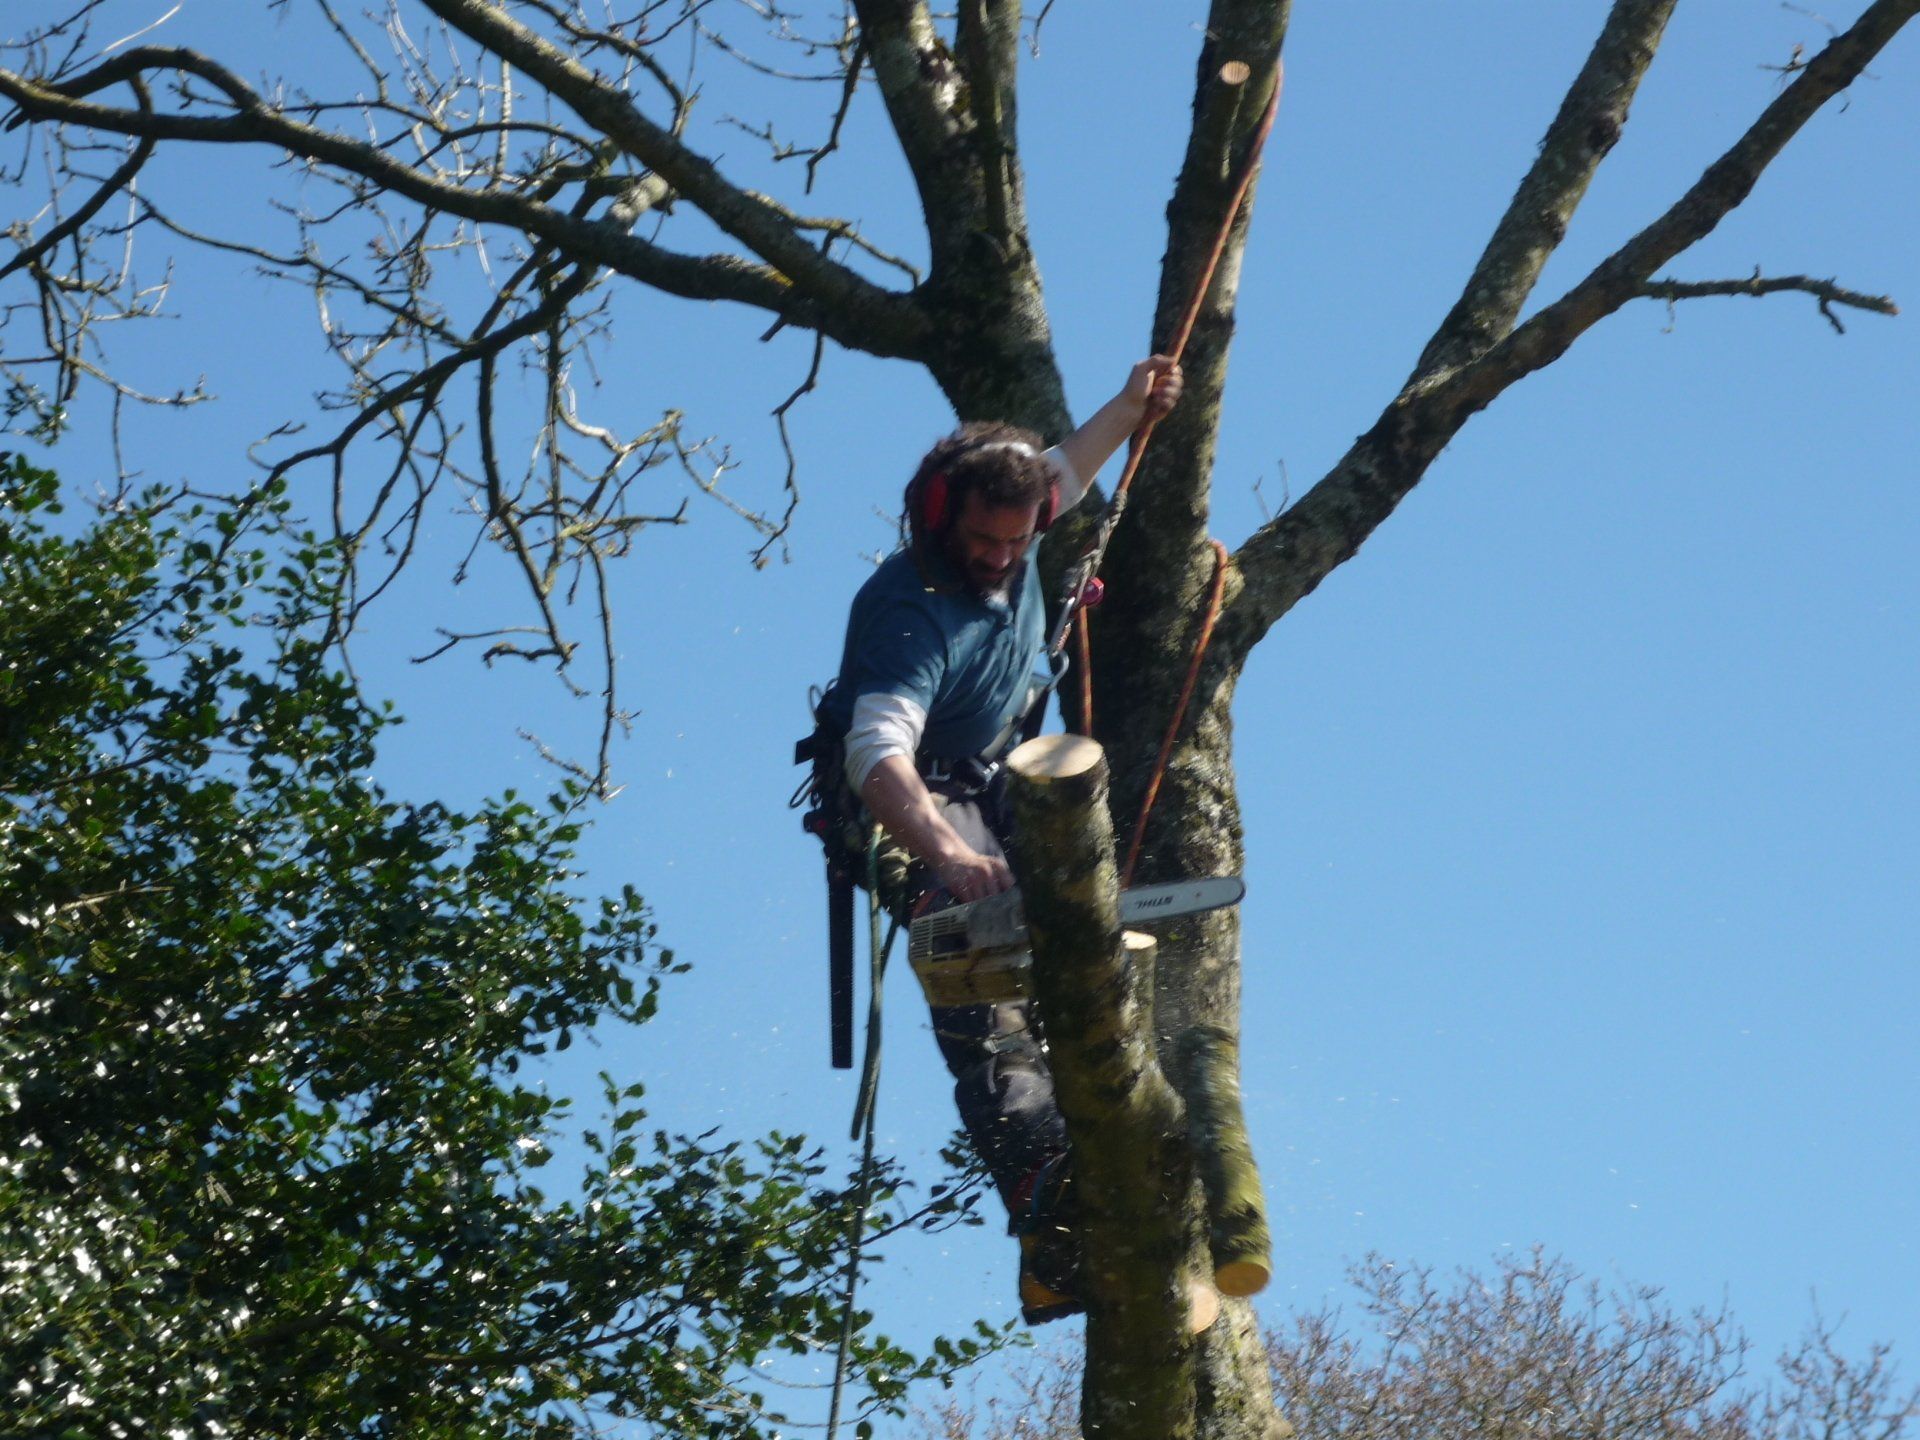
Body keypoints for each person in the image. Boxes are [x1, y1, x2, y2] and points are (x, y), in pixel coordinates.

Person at [813, 356, 1183, 1323]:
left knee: (1084, 958)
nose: (1001, 558)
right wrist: (948, 857)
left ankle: (1122, 1136)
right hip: (911, 810)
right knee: (985, 1000)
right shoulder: (908, 612)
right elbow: (875, 755)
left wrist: (1136, 405)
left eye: (1018, 540)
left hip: (1004, 783)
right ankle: (1050, 1215)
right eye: (984, 541)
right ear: (941, 517)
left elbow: (1069, 465)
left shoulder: (1028, 511)